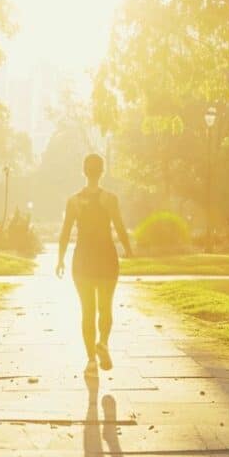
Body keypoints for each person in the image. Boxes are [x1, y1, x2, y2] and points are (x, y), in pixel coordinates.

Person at [56, 153, 132, 373]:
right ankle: (104, 343)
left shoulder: (74, 201)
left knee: (87, 311)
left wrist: (60, 259)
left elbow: (65, 233)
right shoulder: (110, 199)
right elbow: (119, 226)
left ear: (84, 171)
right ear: (102, 171)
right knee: (105, 307)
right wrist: (128, 248)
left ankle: (91, 359)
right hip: (107, 259)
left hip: (82, 261)